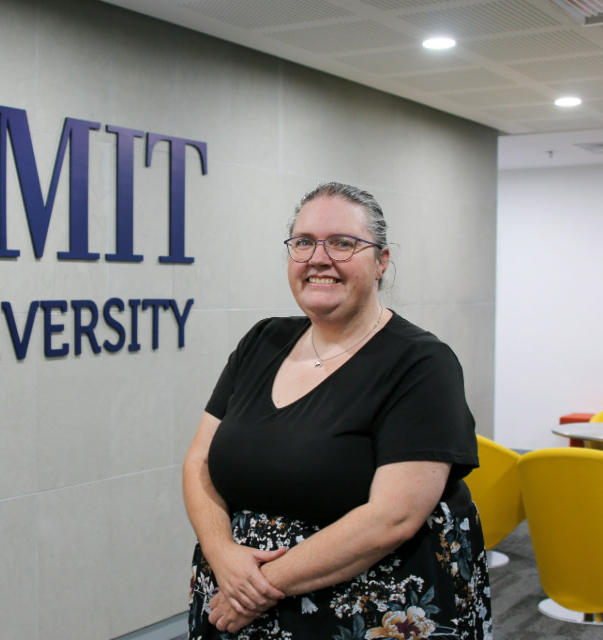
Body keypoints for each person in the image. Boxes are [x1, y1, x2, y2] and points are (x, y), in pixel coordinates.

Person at [183, 182, 491, 639]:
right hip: (234, 596)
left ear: (382, 260)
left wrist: (255, 587)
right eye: (303, 242)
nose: (318, 258)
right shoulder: (261, 341)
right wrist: (221, 551)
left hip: (367, 610)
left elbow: (393, 517)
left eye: (343, 243)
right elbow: (199, 462)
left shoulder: (421, 363)